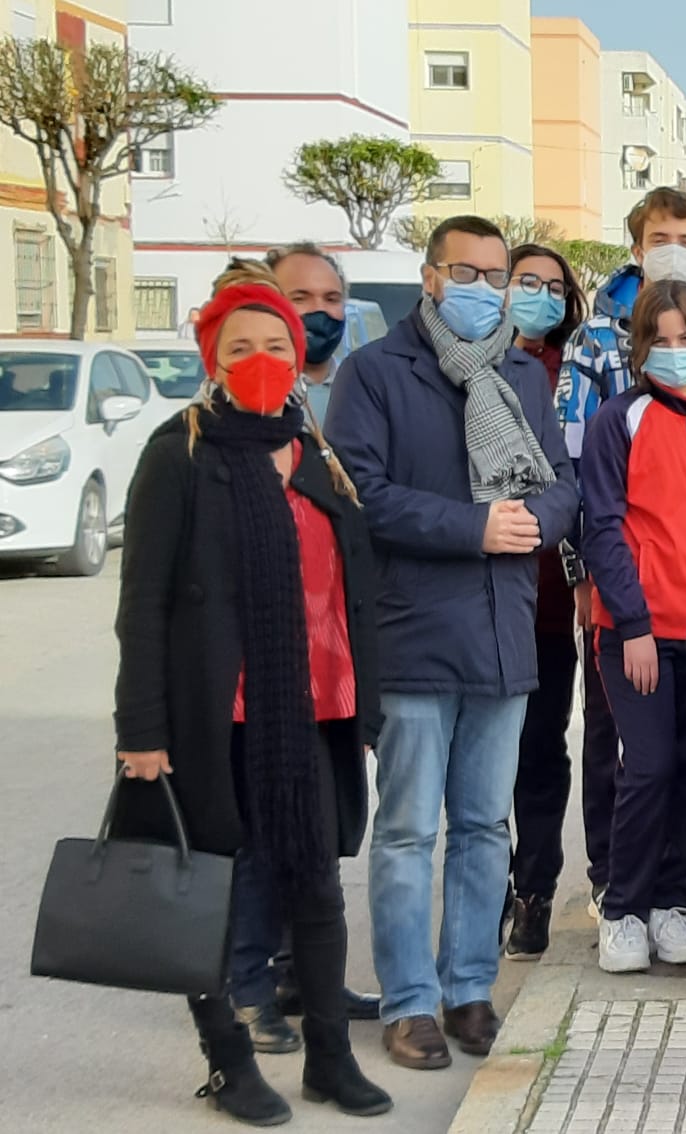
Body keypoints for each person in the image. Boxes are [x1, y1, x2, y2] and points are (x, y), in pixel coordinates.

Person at [115, 279, 391, 1123]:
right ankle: (230, 1066)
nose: (261, 362)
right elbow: (143, 604)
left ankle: (330, 1062)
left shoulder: (315, 455)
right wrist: (142, 731)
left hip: (310, 714)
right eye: (240, 349)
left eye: (274, 346)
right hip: (209, 720)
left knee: (315, 887)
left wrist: (367, 708)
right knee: (210, 894)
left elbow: (355, 591)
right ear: (213, 360)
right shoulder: (179, 453)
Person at [324, 215, 579, 1070]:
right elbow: (362, 490)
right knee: (406, 832)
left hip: (504, 636)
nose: (482, 289)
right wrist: (471, 528)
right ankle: (408, 1002)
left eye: (494, 274)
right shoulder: (375, 372)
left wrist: (533, 523)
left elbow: (561, 482)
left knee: (482, 825)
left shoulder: (521, 375)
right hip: (415, 632)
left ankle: (469, 988)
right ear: (430, 277)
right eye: (464, 273)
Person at [558, 188, 686, 920]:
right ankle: (622, 905)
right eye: (658, 339)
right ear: (637, 346)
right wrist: (625, 621)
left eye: (684, 338)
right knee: (646, 767)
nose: (674, 350)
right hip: (638, 631)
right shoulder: (616, 420)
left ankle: (668, 899)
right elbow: (602, 524)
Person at [239, 250, 383, 1035]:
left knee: (318, 834)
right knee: (261, 840)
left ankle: (306, 978)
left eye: (333, 297)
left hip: (330, 668)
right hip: (255, 677)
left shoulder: (322, 410)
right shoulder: (212, 427)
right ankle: (248, 987)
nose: (319, 313)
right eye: (300, 298)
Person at [498, 243, 589, 960]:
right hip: (477, 594)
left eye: (554, 287)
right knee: (479, 759)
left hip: (551, 598)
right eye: (527, 283)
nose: (541, 297)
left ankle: (533, 892)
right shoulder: (471, 369)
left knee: (538, 747)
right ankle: (487, 889)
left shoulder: (576, 371)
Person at [559, 187, 686, 456]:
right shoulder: (594, 339)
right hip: (613, 490)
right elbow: (570, 437)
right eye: (660, 241)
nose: (673, 252)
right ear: (639, 252)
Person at [266, 242, 350, 421]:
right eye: (300, 298)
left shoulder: (369, 389)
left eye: (331, 299)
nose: (319, 309)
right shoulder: (235, 398)